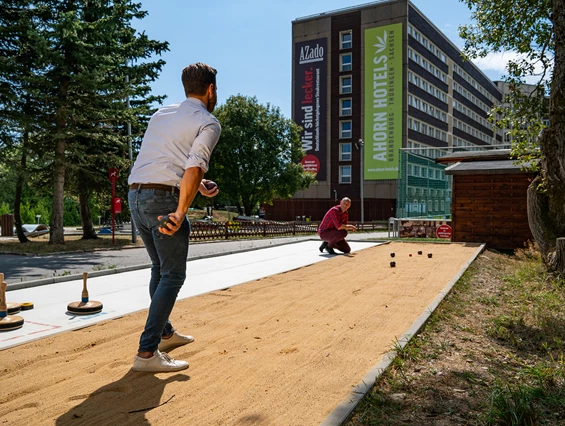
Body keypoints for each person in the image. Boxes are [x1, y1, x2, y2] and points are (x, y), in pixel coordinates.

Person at [127, 63, 221, 373]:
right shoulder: (208, 122)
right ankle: (146, 352)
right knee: (173, 275)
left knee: (160, 268)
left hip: (136, 195)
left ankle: (165, 333)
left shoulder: (162, 114)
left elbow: (164, 160)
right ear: (210, 90)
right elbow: (194, 166)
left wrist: (198, 185)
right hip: (163, 201)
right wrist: (180, 212)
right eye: (215, 89)